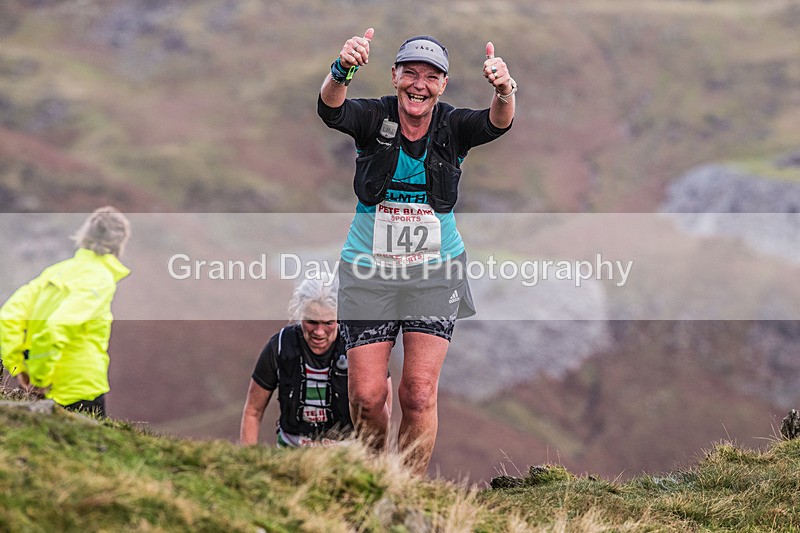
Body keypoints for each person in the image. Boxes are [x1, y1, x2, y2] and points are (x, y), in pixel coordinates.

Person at [317, 29, 515, 474]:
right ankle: (373, 480)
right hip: (368, 272)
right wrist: (342, 68)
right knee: (367, 396)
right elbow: (331, 109)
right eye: (410, 74)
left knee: (419, 392)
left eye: (430, 76)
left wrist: (504, 90)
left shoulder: (453, 125)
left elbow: (497, 122)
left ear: (443, 85)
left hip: (435, 272)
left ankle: (406, 490)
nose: (419, 85)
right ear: (394, 77)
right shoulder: (374, 117)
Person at [0, 207, 131, 417]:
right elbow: (57, 325)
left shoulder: (57, 271)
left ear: (84, 236)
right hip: (79, 391)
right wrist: (41, 379)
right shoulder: (101, 279)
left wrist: (19, 369)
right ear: (119, 243)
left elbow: (8, 316)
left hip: (41, 392)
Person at [239, 276, 392, 447]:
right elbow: (253, 410)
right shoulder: (280, 345)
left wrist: (374, 464)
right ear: (299, 314)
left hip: (346, 454)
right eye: (311, 322)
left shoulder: (359, 348)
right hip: (291, 450)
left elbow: (383, 410)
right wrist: (248, 459)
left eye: (328, 323)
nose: (319, 332)